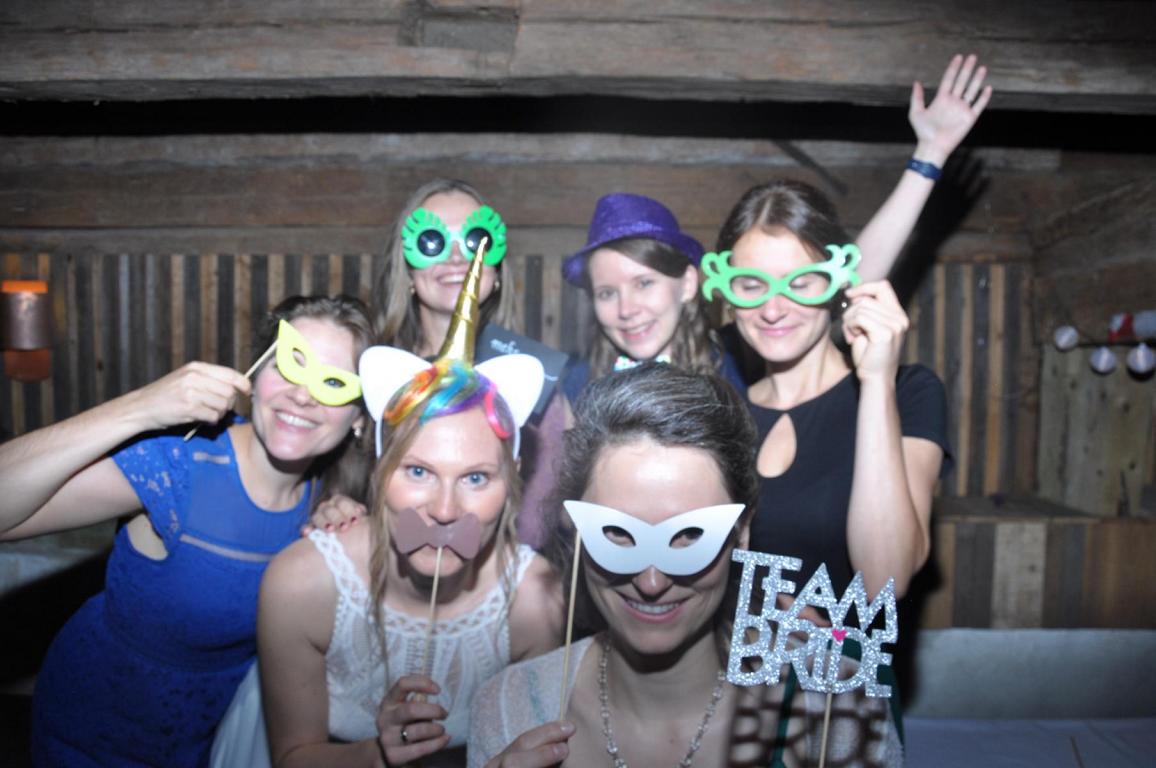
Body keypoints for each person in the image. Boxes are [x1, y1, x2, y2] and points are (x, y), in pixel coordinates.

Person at [0, 294, 373, 768]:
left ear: (358, 419)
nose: (303, 394)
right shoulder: (178, 462)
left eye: (333, 382)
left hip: (207, 742)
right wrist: (139, 409)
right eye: (289, 364)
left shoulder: (328, 502)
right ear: (256, 373)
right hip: (92, 733)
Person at [469, 364, 902, 767]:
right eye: (618, 533)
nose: (651, 581)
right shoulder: (510, 708)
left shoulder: (835, 710)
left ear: (741, 533)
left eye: (690, 535)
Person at [234, 250, 564, 767]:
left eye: (476, 477)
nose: (445, 510)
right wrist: (377, 756)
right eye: (418, 472)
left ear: (513, 477)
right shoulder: (301, 585)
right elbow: (293, 757)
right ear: (379, 468)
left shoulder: (537, 602)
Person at [559, 53, 992, 403]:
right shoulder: (576, 385)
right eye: (606, 293)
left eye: (644, 283)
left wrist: (928, 158)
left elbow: (848, 278)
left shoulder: (735, 358)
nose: (627, 308)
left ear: (688, 283)